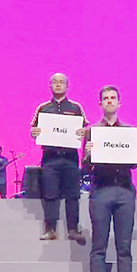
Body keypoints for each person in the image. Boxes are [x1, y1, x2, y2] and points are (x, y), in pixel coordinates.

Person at [83, 85, 137, 272]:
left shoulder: (129, 131)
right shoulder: (92, 131)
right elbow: (86, 166)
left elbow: (134, 164)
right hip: (101, 191)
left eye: (113, 98)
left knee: (124, 247)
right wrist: (88, 154)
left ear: (119, 103)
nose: (109, 101)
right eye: (105, 98)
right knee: (99, 245)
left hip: (124, 191)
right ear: (100, 104)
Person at [30, 73, 88, 243]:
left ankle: (72, 229)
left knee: (73, 194)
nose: (58, 84)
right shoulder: (43, 108)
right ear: (50, 85)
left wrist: (84, 132)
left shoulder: (76, 107)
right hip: (50, 157)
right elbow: (33, 130)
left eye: (61, 82)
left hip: (70, 157)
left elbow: (86, 128)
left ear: (67, 86)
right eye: (54, 82)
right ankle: (50, 229)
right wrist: (35, 133)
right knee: (50, 194)